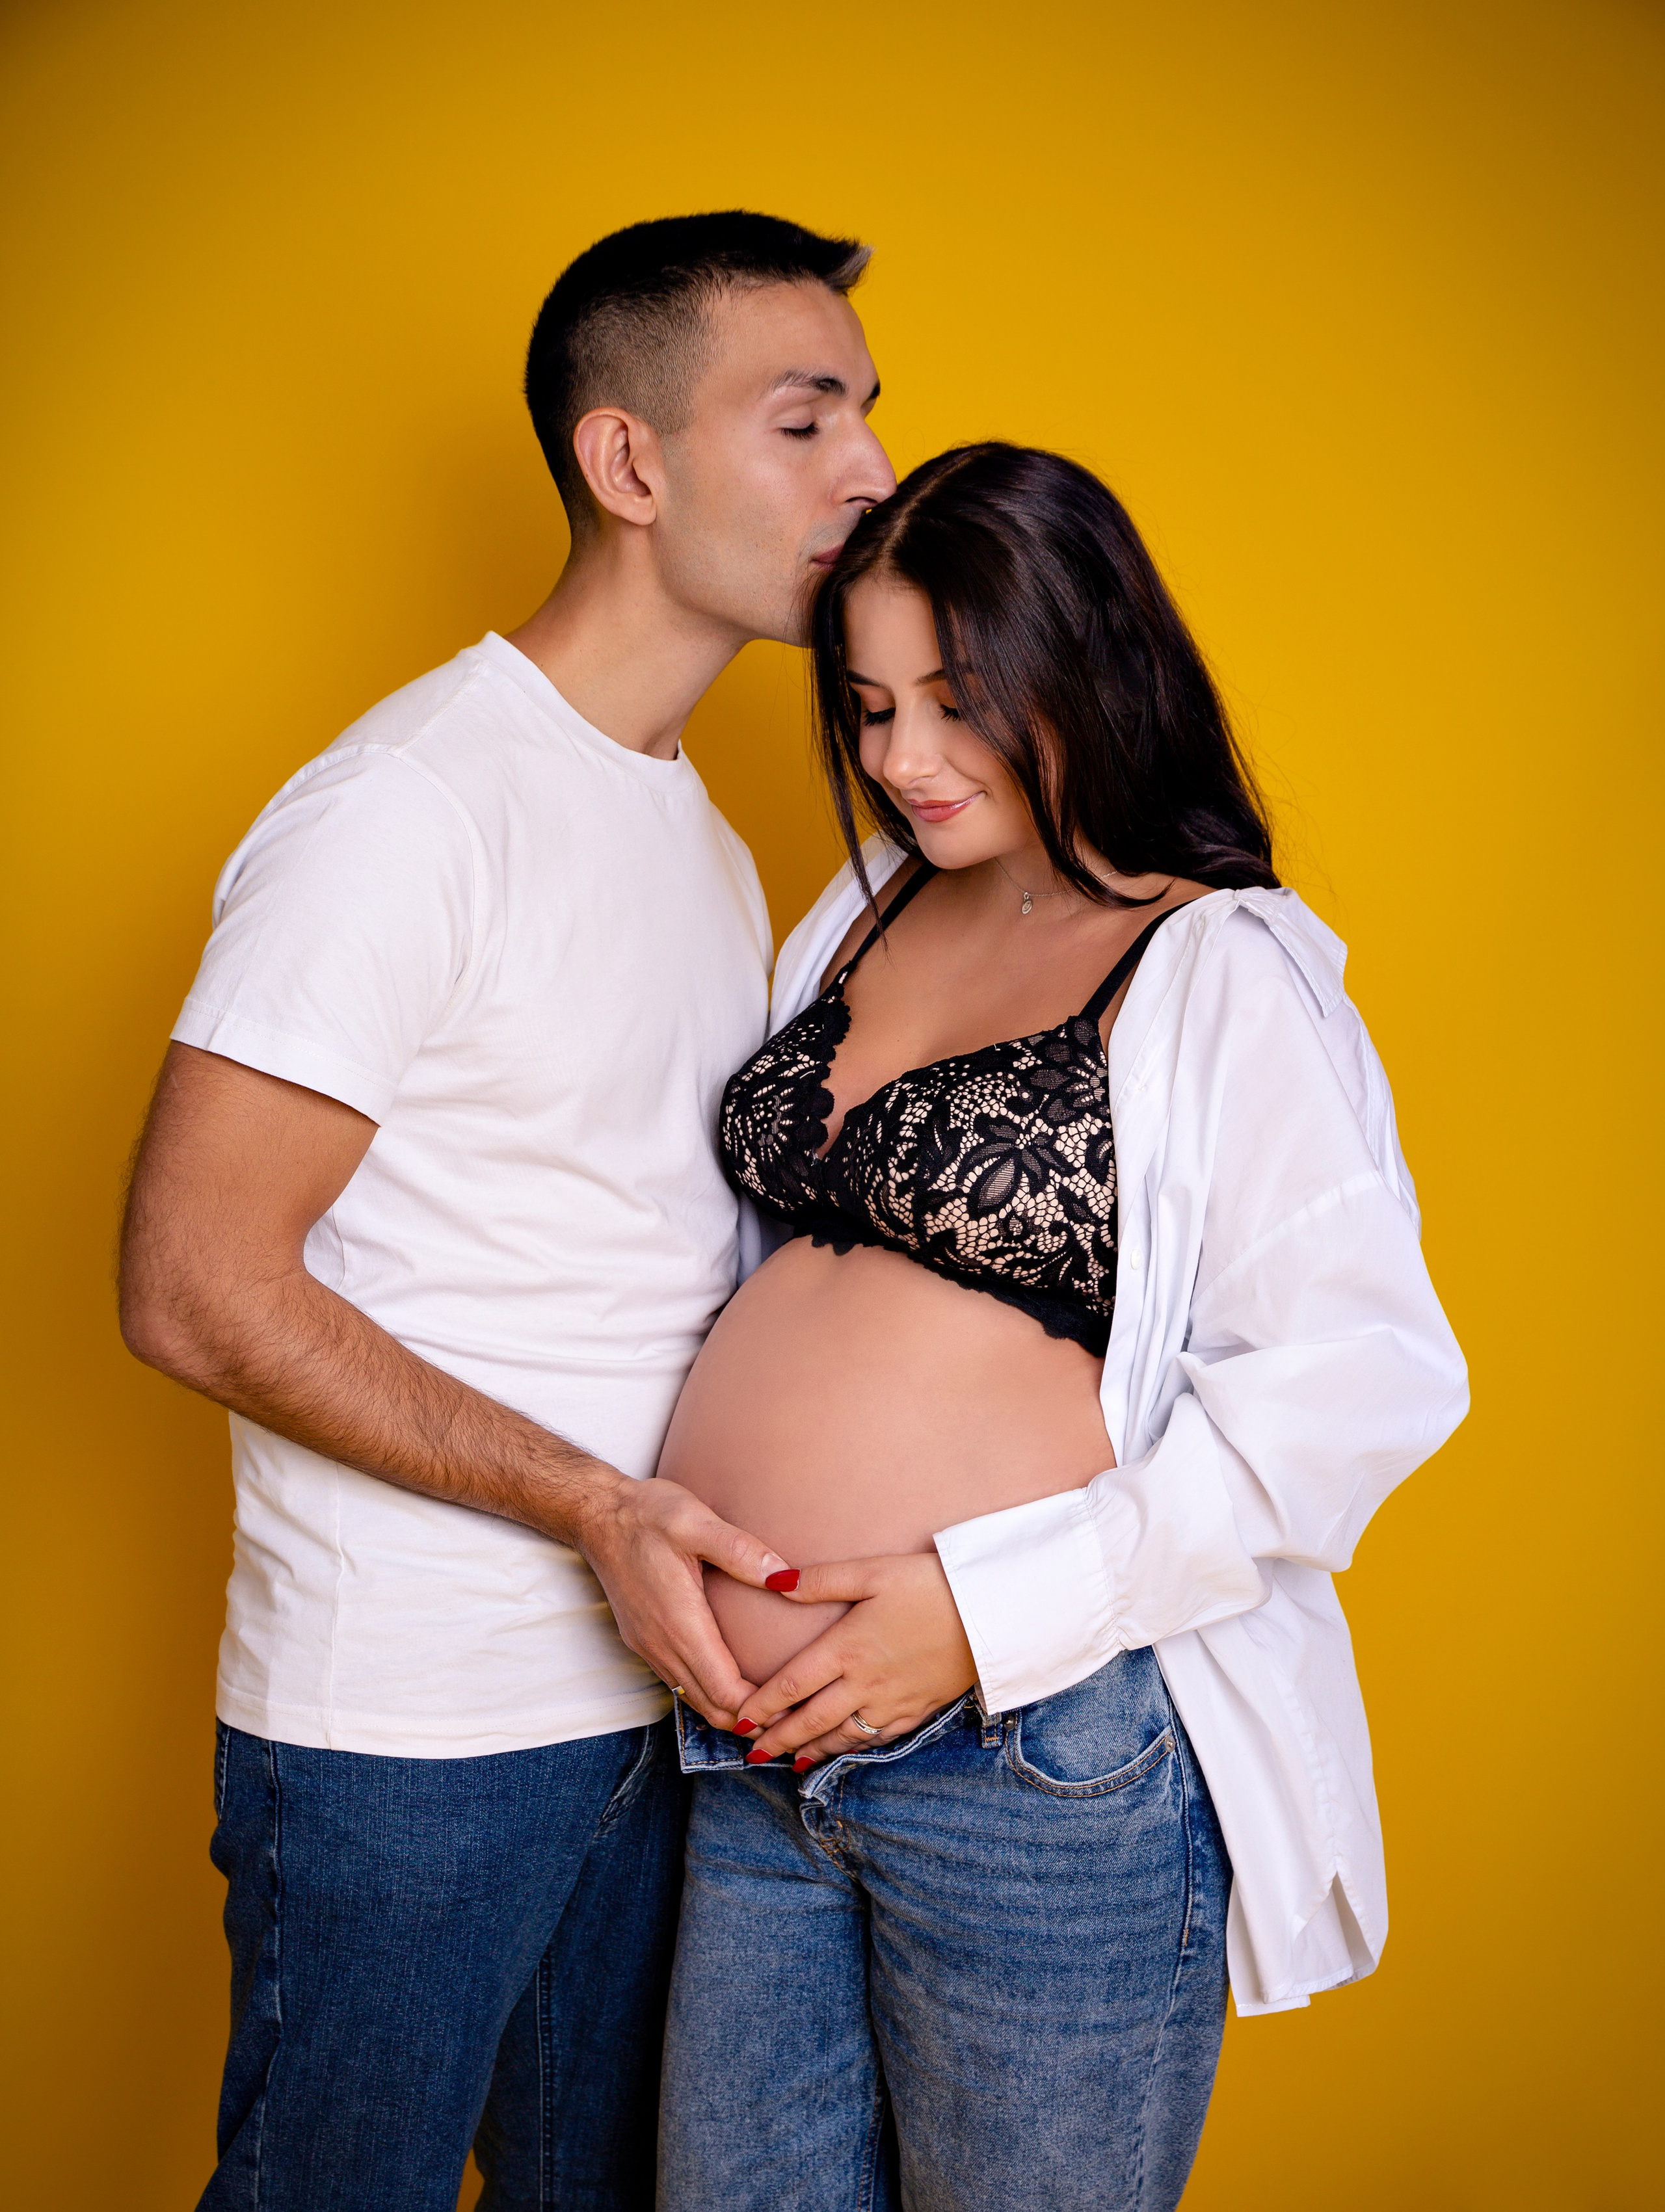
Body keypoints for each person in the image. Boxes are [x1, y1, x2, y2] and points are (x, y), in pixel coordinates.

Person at [117, 211, 894, 2212]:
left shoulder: (701, 836)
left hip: (665, 1706)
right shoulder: (409, 807)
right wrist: (591, 1507)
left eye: (867, 416)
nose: (872, 472)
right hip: (410, 1735)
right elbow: (193, 1282)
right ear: (627, 461)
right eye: (805, 419)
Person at [654, 443, 1469, 2212]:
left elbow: (1358, 1386)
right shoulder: (860, 910)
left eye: (957, 701)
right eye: (871, 705)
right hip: (755, 1748)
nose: (904, 758)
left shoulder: (1219, 965)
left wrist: (981, 1611)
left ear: (1083, 663)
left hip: (1027, 1758)